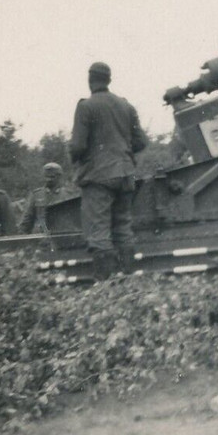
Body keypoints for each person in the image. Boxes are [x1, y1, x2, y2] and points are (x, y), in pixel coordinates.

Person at [69, 62, 148, 279]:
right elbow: (141, 142)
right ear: (109, 80)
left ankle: (106, 290)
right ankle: (129, 283)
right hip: (125, 175)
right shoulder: (126, 106)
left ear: (89, 79)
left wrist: (77, 160)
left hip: (98, 177)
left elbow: (77, 146)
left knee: (99, 233)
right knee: (123, 230)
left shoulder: (86, 106)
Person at [19, 162, 73, 234]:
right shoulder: (36, 195)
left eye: (52, 177)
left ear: (59, 177)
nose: (48, 180)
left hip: (63, 237)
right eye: (46, 177)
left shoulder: (68, 195)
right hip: (41, 238)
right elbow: (26, 222)